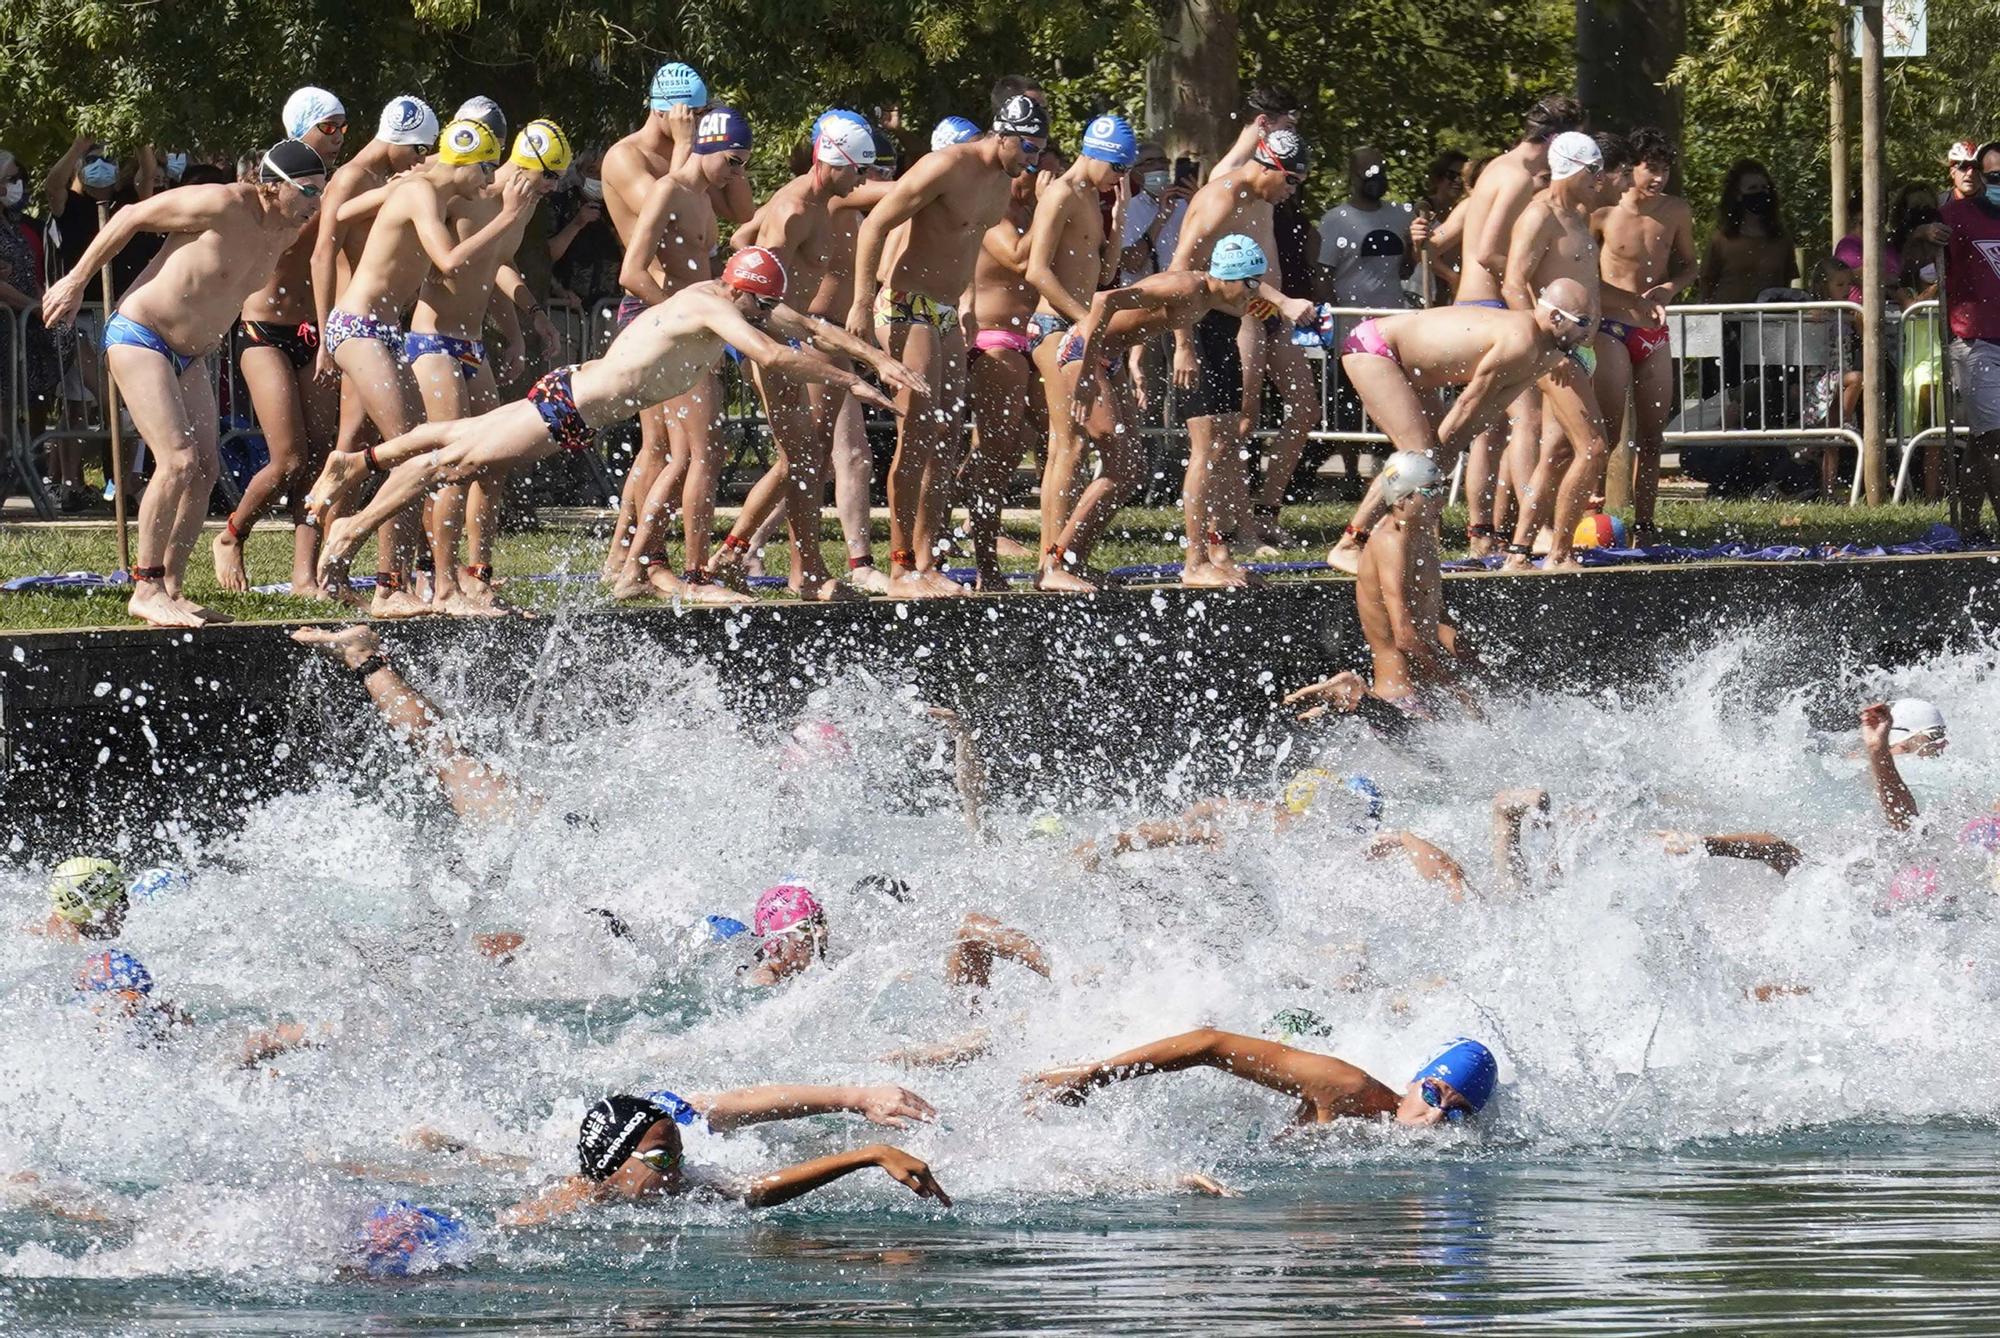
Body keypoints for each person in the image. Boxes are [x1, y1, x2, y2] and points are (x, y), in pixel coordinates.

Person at [310, 248, 919, 586]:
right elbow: (771, 354)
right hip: (568, 404)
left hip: (576, 404)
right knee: (453, 464)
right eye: (761, 303)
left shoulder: (744, 304)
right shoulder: (715, 310)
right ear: (738, 291)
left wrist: (878, 362)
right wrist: (851, 383)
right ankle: (351, 530)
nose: (766, 313)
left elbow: (809, 328)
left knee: (456, 439)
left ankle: (357, 462)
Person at [41, 140, 327, 627]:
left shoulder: (285, 230)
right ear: (272, 185)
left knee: (205, 468)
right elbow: (130, 215)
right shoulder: (221, 203)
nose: (315, 204)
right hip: (141, 334)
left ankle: (171, 586)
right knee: (178, 459)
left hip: (194, 353)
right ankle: (145, 586)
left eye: (320, 192)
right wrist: (75, 281)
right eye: (307, 192)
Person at [216, 95, 438, 596]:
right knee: (289, 459)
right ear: (300, 128)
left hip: (317, 330)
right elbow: (321, 252)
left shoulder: (335, 186)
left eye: (344, 125)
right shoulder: (274, 182)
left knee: (324, 458)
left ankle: (307, 575)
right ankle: (233, 533)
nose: (339, 135)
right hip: (266, 329)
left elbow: (337, 234)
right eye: (329, 125)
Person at [323, 118, 534, 614]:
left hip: (383, 331)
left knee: (418, 453)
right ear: (465, 162)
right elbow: (447, 262)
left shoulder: (423, 188)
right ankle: (390, 586)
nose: (492, 177)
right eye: (487, 166)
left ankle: (384, 571)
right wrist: (506, 217)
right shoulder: (423, 193)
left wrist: (388, 192)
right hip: (359, 327)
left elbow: (342, 212)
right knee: (415, 458)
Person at [846, 94, 1048, 596]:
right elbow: (875, 224)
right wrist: (859, 301)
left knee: (945, 442)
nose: (1031, 160)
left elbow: (968, 245)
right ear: (1001, 134)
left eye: (1039, 151)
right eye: (1026, 147)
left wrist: (968, 298)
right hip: (905, 306)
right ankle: (898, 569)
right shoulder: (945, 167)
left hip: (944, 315)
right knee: (915, 440)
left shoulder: (1003, 182)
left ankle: (926, 560)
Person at [1365, 95, 1578, 564]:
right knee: (1524, 423)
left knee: (1483, 430)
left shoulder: (1494, 170)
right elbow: (1489, 254)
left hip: (1473, 309)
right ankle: (1531, 528)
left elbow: (1441, 241)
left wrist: (1424, 239)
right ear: (1555, 141)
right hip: (1498, 309)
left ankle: (1478, 529)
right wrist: (1529, 305)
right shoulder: (1525, 178)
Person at [708, 115, 886, 600]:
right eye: (858, 171)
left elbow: (740, 240)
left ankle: (730, 555)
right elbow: (757, 293)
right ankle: (801, 572)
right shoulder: (792, 211)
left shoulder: (817, 199)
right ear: (834, 165)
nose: (862, 182)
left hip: (790, 337)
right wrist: (799, 333)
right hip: (773, 341)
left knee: (800, 460)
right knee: (805, 459)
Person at [405, 119, 569, 615]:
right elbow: (447, 252)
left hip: (472, 343)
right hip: (431, 340)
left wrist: (526, 322)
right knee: (452, 463)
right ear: (523, 166)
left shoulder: (521, 211)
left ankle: (477, 576)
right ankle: (435, 577)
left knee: (491, 463)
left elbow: (494, 267)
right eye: (548, 179)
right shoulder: (467, 197)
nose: (552, 191)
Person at [607, 106, 757, 602]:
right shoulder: (669, 190)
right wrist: (681, 317)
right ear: (709, 147)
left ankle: (635, 565)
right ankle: (693, 575)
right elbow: (631, 272)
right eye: (734, 162)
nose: (738, 174)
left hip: (691, 334)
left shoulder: (701, 197)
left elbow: (744, 216)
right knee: (699, 454)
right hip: (674, 335)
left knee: (683, 456)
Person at [1166, 126, 1310, 586]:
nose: (1290, 192)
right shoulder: (1221, 198)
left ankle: (1217, 549)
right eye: (1289, 181)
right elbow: (1179, 273)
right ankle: (1194, 562)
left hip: (1230, 322)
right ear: (1268, 166)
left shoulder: (1257, 197)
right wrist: (1183, 346)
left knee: (1225, 443)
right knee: (1207, 450)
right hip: (1203, 328)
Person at [501, 1085, 949, 1224]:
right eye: (661, 1160)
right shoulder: (569, 1204)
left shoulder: (677, 1174)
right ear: (612, 1167)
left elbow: (753, 1192)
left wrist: (867, 1152)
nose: (677, 1172)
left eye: (678, 1156)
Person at [597, 61, 709, 580]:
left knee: (660, 448)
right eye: (693, 113)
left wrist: (724, 151)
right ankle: (656, 563)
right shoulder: (626, 157)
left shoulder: (689, 153)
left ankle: (626, 553)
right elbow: (662, 209)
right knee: (682, 450)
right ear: (668, 111)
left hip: (686, 312)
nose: (698, 120)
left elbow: (736, 202)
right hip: (655, 308)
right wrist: (687, 148)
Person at [1499, 131, 1631, 572]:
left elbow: (1588, 288)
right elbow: (1515, 282)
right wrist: (1543, 348)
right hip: (1558, 352)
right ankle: (1559, 553)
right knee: (1593, 447)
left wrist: (1634, 303)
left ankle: (1518, 554)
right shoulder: (1540, 216)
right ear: (1573, 169)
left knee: (1557, 454)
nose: (1601, 179)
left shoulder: (1578, 218)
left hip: (1581, 350)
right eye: (1595, 171)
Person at [1026, 113, 1136, 591]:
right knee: (1067, 445)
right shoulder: (1061, 194)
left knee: (1073, 444)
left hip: (1077, 330)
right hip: (1054, 327)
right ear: (1097, 155)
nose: (1119, 180)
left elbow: (1107, 272)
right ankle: (1053, 565)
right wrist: (1083, 319)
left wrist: (1120, 219)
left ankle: (1059, 558)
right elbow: (1036, 271)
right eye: (1117, 170)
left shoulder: (1094, 196)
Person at [1028, 1032, 1499, 1128]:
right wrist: (1095, 1080)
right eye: (1434, 1094)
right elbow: (1209, 1044)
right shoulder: (1350, 1088)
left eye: (1456, 1112)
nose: (1435, 1117)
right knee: (1040, 1085)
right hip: (1194, 1049)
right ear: (1414, 1083)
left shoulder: (1383, 1131)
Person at [1592, 127, 1696, 544]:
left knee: (1653, 434)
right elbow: (1583, 275)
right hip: (1611, 327)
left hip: (1653, 329)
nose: (1658, 179)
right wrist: (1626, 302)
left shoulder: (1676, 211)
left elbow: (1690, 265)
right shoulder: (1602, 211)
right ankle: (1592, 514)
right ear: (1630, 168)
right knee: (1607, 431)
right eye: (1650, 169)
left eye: (1665, 170)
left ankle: (1646, 523)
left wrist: (1670, 288)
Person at [958, 142, 1042, 588]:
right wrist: (1052, 207)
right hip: (994, 339)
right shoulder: (993, 212)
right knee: (996, 450)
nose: (1035, 181)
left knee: (1028, 439)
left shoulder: (1031, 215)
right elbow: (1019, 257)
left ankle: (1056, 556)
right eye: (1031, 172)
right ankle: (985, 563)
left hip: (1029, 336)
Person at [1353, 452, 1474, 715]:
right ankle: (1348, 691)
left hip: (1427, 691)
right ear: (1401, 498)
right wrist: (1457, 690)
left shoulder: (1422, 537)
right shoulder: (1389, 542)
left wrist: (1475, 664)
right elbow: (1405, 635)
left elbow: (1434, 616)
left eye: (1443, 488)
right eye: (1431, 491)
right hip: (1401, 698)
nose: (1442, 499)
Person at [1940, 140, 2000, 533]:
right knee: (1995, 439)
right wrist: (1920, 235)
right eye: (1991, 175)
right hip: (1975, 339)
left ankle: (1969, 525)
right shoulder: (1951, 215)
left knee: (1982, 442)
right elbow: (1908, 258)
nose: (1972, 175)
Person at [1317, 146, 1425, 310]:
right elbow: (1322, 278)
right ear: (1353, 176)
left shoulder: (1402, 215)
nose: (1377, 178)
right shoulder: (1335, 220)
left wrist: (1413, 247)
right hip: (1350, 318)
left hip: (1393, 317)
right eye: (1369, 172)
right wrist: (1335, 318)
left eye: (1381, 171)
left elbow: (1406, 271)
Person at [1699, 160, 1797, 304]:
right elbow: (1707, 284)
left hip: (1769, 320)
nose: (1761, 193)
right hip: (1728, 320)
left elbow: (1785, 283)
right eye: (1752, 188)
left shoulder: (1782, 239)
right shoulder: (1721, 239)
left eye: (1764, 188)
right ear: (1738, 194)